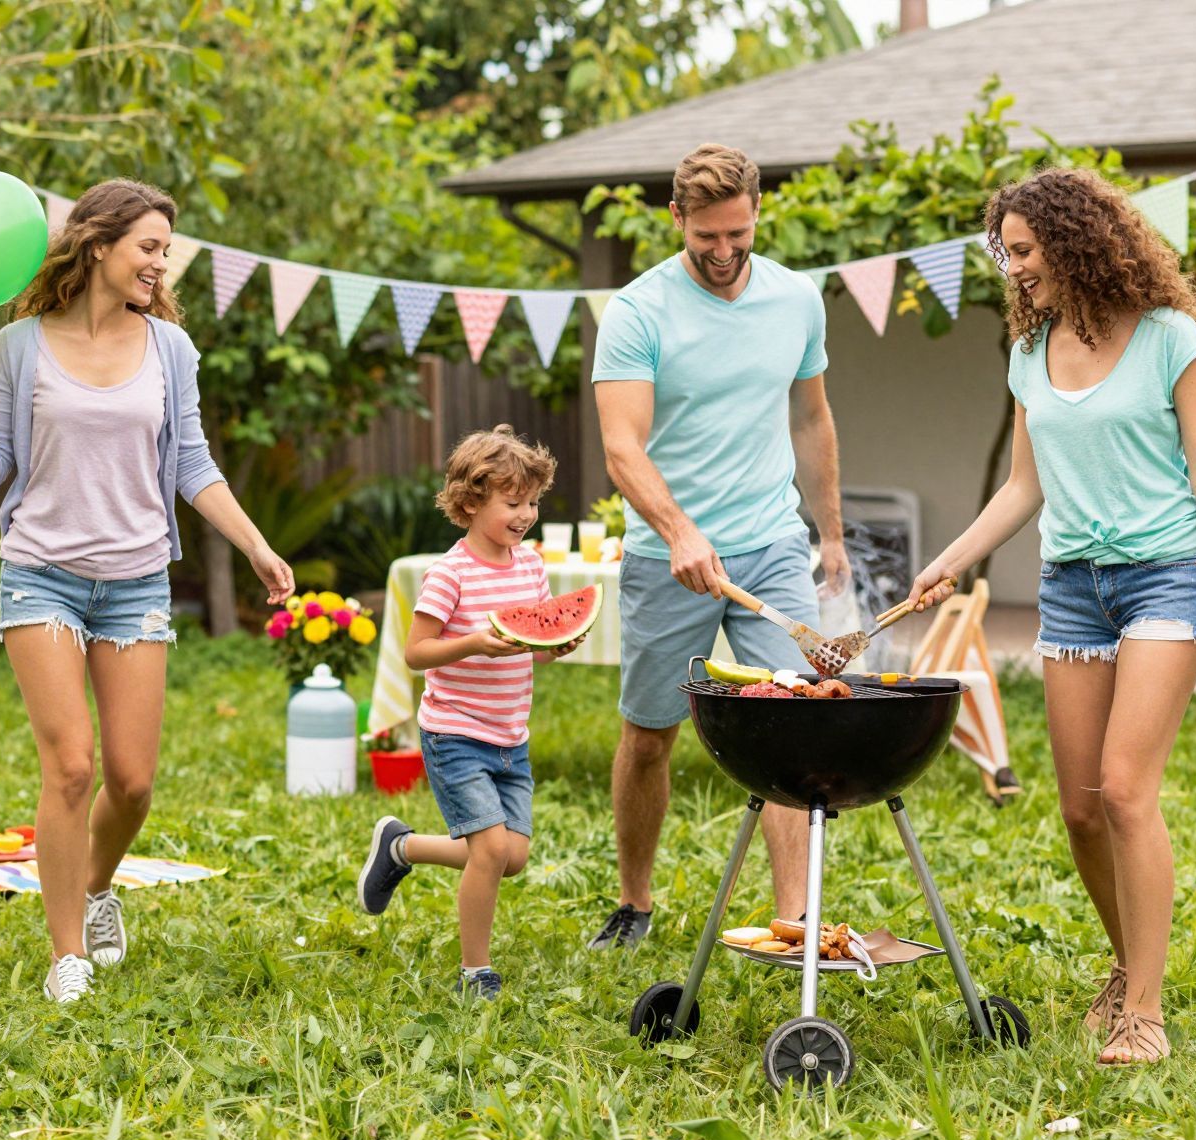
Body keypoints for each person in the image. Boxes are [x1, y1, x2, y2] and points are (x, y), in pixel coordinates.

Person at [908, 168, 1196, 1065]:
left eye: (1025, 251)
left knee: (1124, 790)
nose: (1014, 268)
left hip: (1163, 577)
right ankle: (1126, 963)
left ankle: (1144, 1012)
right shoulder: (1029, 350)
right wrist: (952, 560)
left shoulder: (1171, 339)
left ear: (1077, 241)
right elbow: (1025, 485)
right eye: (1006, 253)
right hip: (1074, 584)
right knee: (1078, 812)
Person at [0, 179, 294, 1007]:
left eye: (165, 251)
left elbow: (193, 463)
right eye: (149, 248)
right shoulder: (21, 345)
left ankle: (95, 890)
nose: (160, 265)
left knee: (131, 783)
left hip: (134, 583)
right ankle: (66, 954)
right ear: (98, 245)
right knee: (70, 768)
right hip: (40, 574)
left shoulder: (171, 349)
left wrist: (258, 546)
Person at [586, 144, 849, 948]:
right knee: (650, 733)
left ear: (757, 215)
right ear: (677, 220)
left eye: (739, 233)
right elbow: (622, 446)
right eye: (707, 237)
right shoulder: (637, 312)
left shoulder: (797, 300)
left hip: (772, 542)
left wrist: (829, 531)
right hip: (670, 556)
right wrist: (679, 531)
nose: (726, 252)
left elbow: (811, 418)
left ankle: (795, 920)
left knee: (795, 727)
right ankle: (635, 902)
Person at [355, 425, 581, 1000]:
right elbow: (415, 652)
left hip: (512, 736)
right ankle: (475, 971)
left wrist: (556, 644)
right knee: (489, 851)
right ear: (471, 501)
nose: (526, 513)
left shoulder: (530, 567)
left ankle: (401, 847)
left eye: (533, 501)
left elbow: (531, 641)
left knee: (514, 858)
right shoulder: (449, 574)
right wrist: (473, 642)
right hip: (455, 734)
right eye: (513, 502)